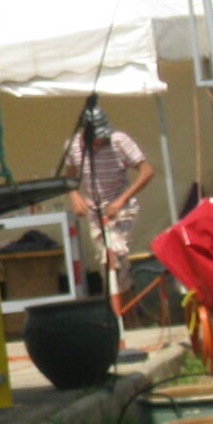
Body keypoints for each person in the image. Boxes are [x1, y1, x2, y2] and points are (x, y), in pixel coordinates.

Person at [62, 100, 156, 290]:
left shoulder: (119, 141)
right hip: (95, 210)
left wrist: (121, 200)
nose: (101, 140)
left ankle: (122, 300)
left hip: (122, 207)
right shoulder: (72, 146)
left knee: (115, 252)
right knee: (106, 263)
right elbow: (70, 178)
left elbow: (147, 171)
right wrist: (75, 196)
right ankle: (123, 300)